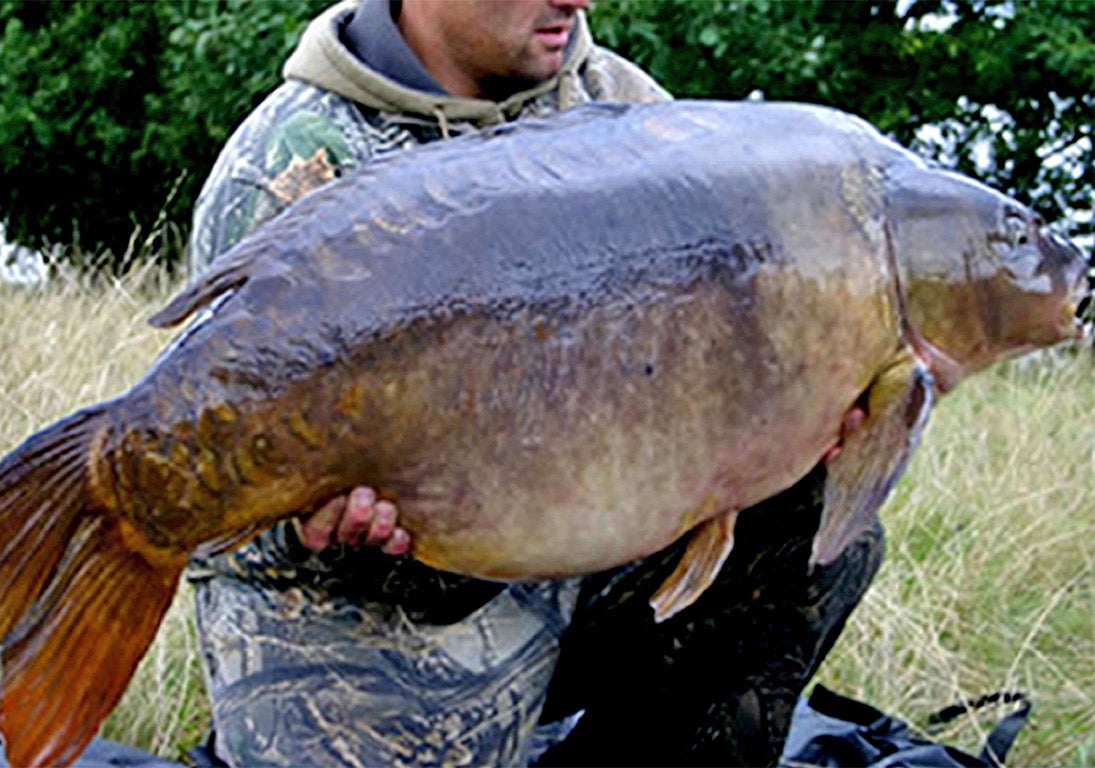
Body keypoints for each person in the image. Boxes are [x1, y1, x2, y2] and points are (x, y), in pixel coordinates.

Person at [186, 1, 883, 766]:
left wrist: (796, 414)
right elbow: (223, 519)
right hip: (361, 609)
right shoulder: (293, 162)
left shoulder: (620, 106)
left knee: (813, 520)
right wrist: (310, 524)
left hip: (579, 550)